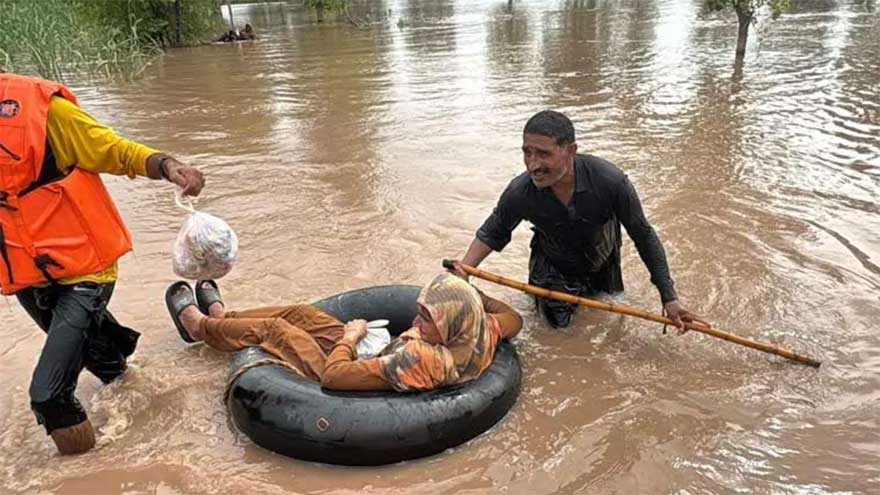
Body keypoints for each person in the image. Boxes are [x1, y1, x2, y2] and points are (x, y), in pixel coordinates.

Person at [0, 72, 205, 455]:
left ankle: (85, 472)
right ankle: (146, 406)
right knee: (108, 368)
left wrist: (166, 165)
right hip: (26, 277)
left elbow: (110, 149)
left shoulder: (41, 109)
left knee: (50, 395)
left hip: (84, 270)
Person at [453, 110, 699, 329]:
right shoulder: (521, 192)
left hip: (603, 259)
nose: (532, 165)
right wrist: (464, 271)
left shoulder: (611, 182)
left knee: (609, 317)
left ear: (571, 150)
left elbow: (643, 235)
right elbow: (493, 231)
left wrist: (669, 297)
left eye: (544, 154)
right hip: (552, 267)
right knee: (559, 332)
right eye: (527, 153)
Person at [165, 273, 522, 391]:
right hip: (373, 352)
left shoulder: (421, 356)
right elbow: (513, 318)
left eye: (426, 320)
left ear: (450, 326)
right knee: (299, 313)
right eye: (420, 314)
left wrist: (350, 338)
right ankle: (226, 317)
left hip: (350, 371)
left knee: (276, 330)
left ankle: (200, 327)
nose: (415, 324)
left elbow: (334, 377)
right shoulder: (482, 330)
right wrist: (474, 293)